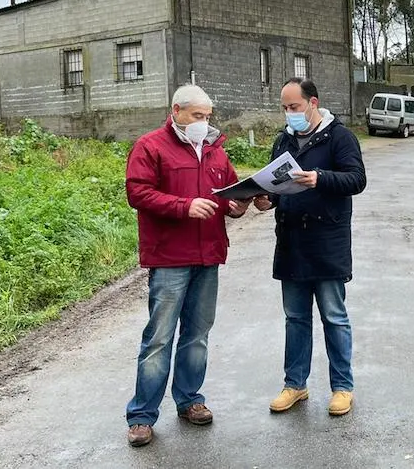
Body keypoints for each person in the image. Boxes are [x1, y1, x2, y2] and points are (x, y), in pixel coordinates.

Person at [124, 84, 249, 447]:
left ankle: (190, 399)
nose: (203, 122)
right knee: (159, 339)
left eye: (208, 116)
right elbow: (138, 193)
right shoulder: (150, 146)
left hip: (207, 256)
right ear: (176, 110)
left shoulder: (214, 149)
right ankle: (142, 416)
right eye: (197, 116)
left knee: (197, 336)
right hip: (169, 258)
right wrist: (184, 206)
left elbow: (228, 190)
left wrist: (236, 206)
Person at [253, 78, 367, 417]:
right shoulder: (283, 141)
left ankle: (342, 387)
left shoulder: (340, 137)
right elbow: (276, 184)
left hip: (327, 242)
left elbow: (356, 179)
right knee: (296, 318)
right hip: (291, 243)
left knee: (334, 317)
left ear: (313, 102)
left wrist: (320, 177)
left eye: (295, 107)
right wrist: (265, 200)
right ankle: (295, 385)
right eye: (285, 109)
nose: (290, 114)